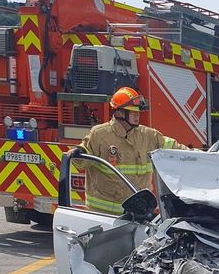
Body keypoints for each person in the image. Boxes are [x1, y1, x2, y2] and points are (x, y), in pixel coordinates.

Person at [67, 86, 184, 215]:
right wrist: (77, 153)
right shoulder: (100, 134)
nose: (137, 116)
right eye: (133, 113)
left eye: (138, 113)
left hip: (139, 214)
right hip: (104, 216)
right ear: (119, 113)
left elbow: (174, 148)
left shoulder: (148, 135)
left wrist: (201, 155)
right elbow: (83, 158)